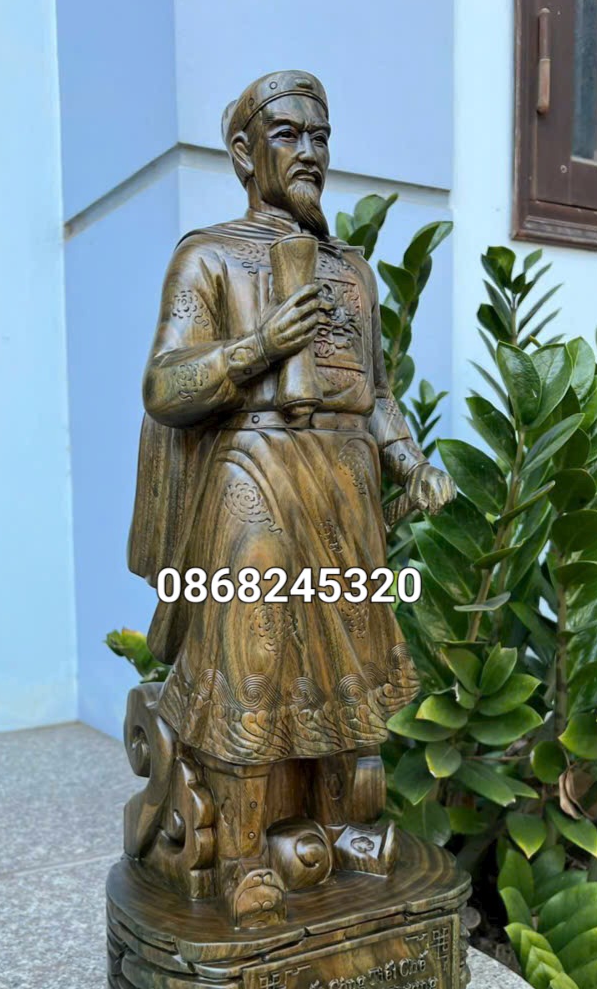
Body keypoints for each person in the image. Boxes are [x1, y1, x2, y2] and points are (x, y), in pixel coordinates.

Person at [128, 70, 456, 926]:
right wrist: (258, 346)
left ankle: (344, 830)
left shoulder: (352, 273)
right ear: (243, 153)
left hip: (344, 490)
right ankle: (242, 857)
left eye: (320, 137)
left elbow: (374, 393)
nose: (309, 151)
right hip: (255, 478)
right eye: (288, 135)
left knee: (348, 673)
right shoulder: (207, 257)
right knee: (255, 666)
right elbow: (165, 385)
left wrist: (408, 461)